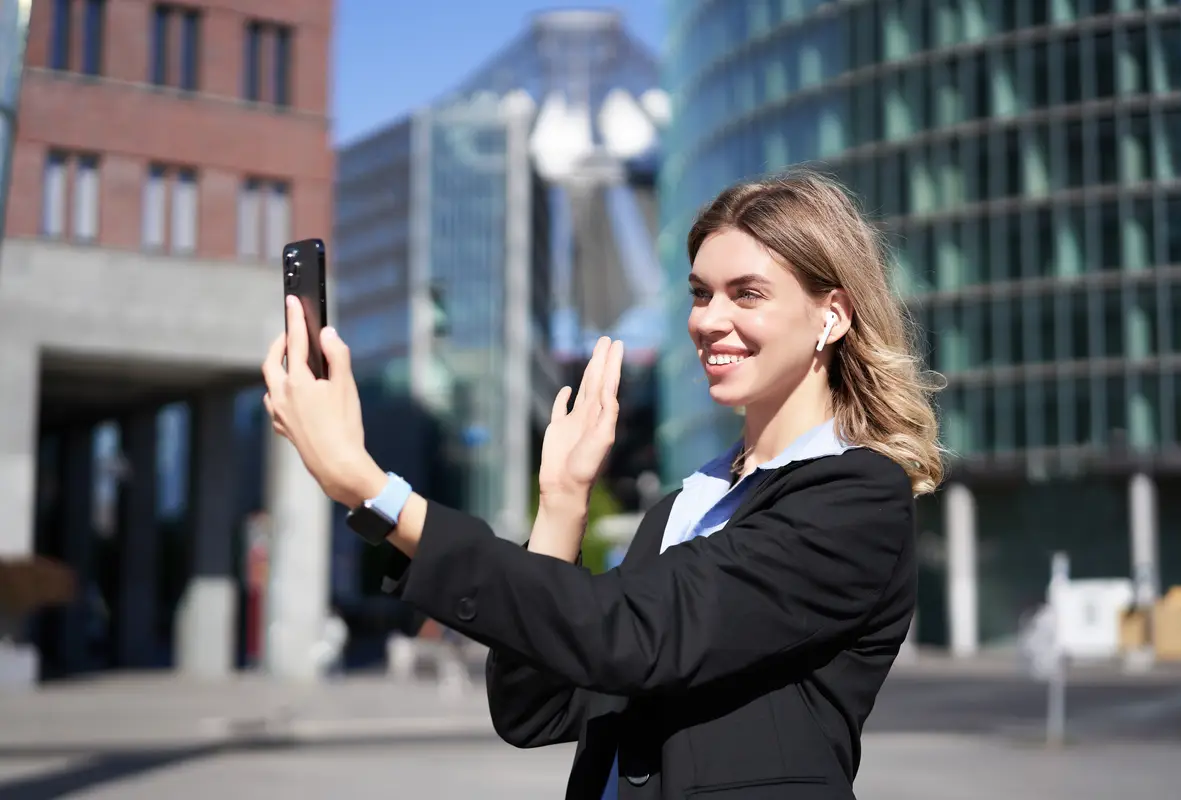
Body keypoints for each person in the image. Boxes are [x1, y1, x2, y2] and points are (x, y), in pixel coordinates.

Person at [262, 166, 944, 799]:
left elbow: (634, 637)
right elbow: (536, 707)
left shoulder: (856, 495)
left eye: (748, 294)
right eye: (700, 293)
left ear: (833, 314)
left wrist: (372, 489)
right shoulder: (684, 508)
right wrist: (560, 507)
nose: (709, 320)